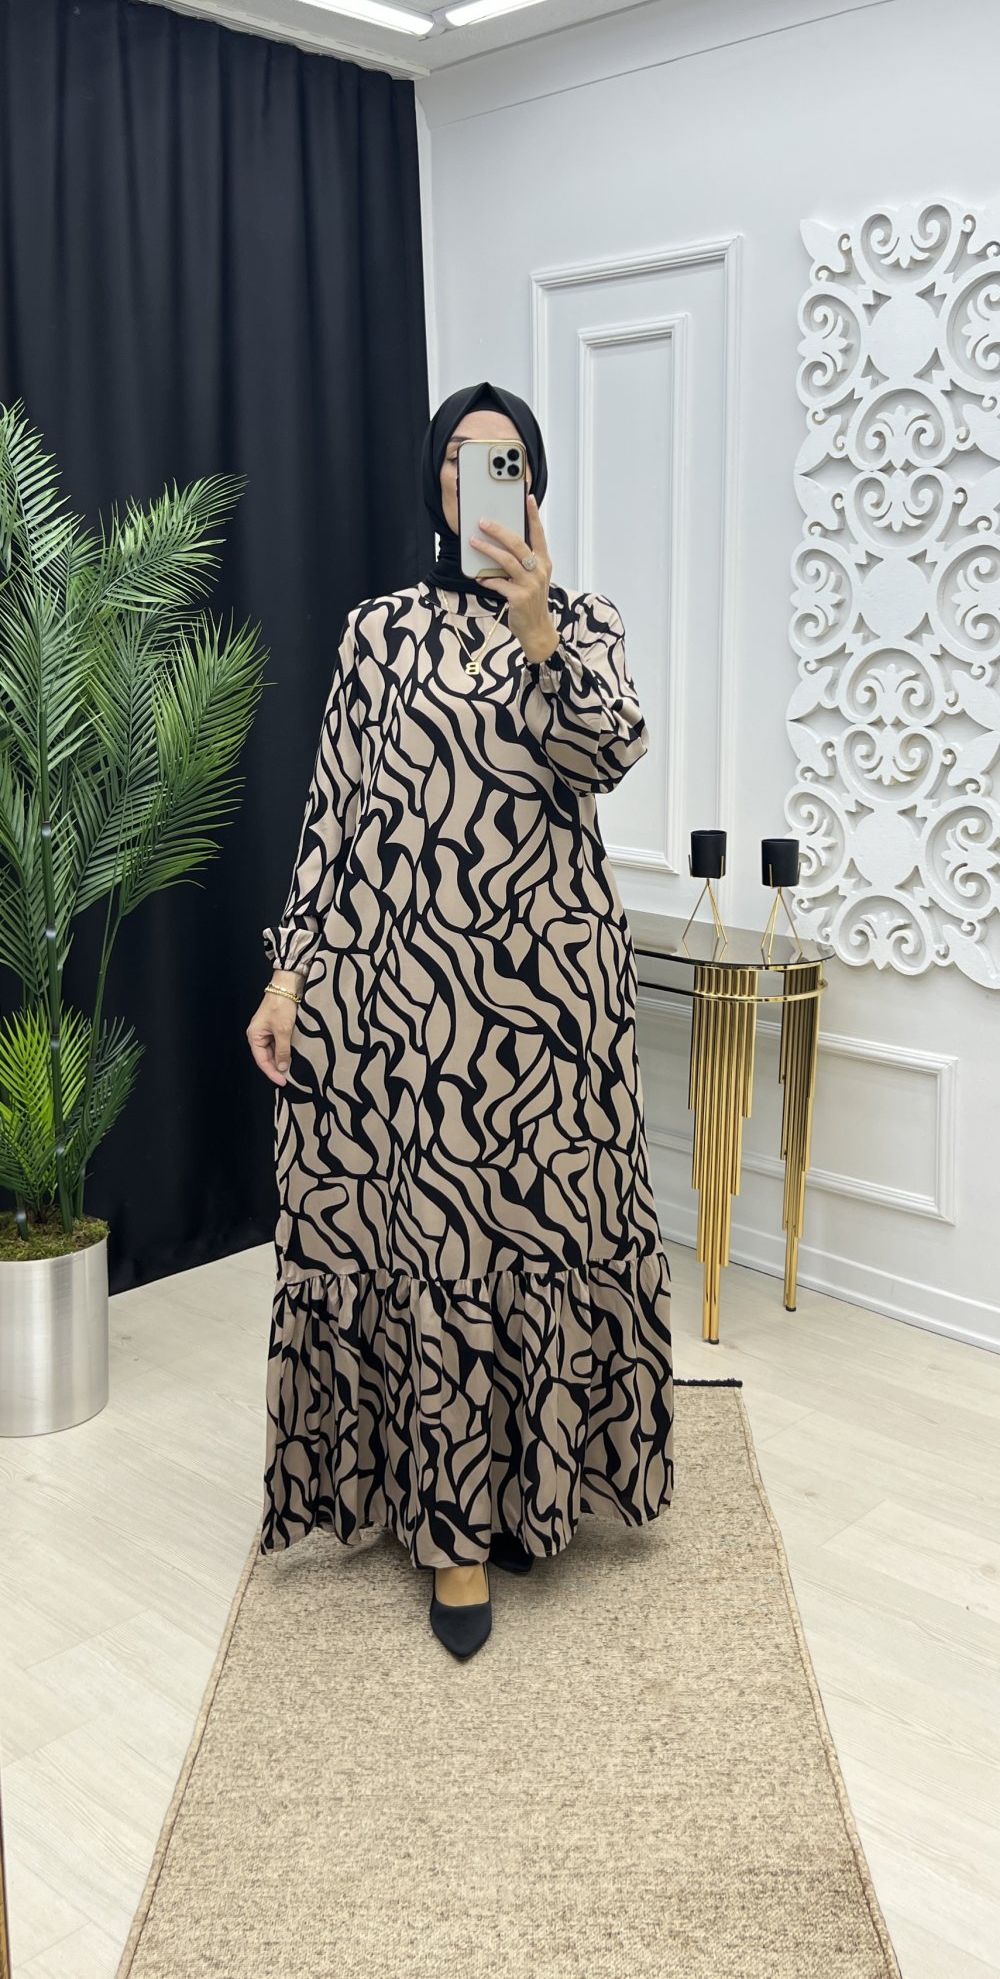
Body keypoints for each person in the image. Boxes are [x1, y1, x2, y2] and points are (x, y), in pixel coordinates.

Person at [247, 380, 674, 1661]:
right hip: (406, 1009)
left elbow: (608, 754)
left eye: (506, 458)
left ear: (533, 484)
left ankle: (536, 1486)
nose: (480, 473)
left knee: (540, 1233)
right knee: (430, 1244)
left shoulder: (582, 620)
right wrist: (289, 976)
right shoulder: (377, 633)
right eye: (459, 456)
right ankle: (451, 1536)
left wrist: (538, 629)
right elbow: (334, 814)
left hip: (551, 1010)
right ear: (435, 483)